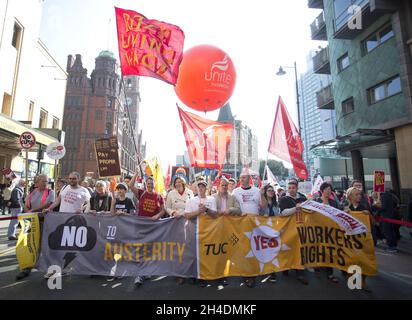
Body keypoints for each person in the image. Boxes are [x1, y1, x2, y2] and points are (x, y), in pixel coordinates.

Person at [232, 168, 267, 288]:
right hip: (241, 225)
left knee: (254, 248)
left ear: (249, 179)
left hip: (255, 225)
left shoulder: (257, 191)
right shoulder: (235, 191)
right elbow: (232, 207)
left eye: (244, 177)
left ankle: (253, 273)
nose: (241, 179)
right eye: (240, 178)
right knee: (244, 249)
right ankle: (246, 274)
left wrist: (262, 195)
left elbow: (263, 206)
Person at [185, 180, 217, 287]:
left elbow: (215, 214)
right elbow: (187, 215)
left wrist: (206, 209)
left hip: (208, 232)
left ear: (206, 188)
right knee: (193, 253)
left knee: (204, 254)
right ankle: (193, 275)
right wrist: (198, 212)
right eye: (199, 187)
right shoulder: (191, 200)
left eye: (203, 187)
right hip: (194, 230)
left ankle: (202, 276)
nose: (201, 189)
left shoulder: (212, 199)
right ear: (196, 188)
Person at [278, 179, 309, 285]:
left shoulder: (303, 198)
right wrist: (295, 208)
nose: (291, 190)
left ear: (297, 188)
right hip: (288, 229)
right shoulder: (284, 199)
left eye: (293, 188)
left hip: (301, 227)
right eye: (289, 188)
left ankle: (299, 271)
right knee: (288, 248)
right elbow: (283, 212)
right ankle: (286, 267)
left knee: (300, 249)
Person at [343, 187, 373, 291]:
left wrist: (368, 215)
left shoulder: (364, 207)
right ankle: (351, 277)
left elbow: (373, 223)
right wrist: (344, 214)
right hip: (351, 239)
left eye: (359, 194)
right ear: (350, 196)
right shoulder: (346, 207)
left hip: (363, 238)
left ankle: (363, 281)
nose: (359, 196)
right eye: (356, 194)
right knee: (352, 259)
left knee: (365, 259)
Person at [313, 182, 339, 283]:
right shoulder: (316, 202)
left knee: (329, 250)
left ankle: (330, 272)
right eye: (326, 190)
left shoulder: (333, 203)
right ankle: (317, 266)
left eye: (330, 190)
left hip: (330, 231)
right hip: (318, 230)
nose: (328, 192)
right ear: (322, 191)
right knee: (319, 249)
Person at [259, 184, 280, 283]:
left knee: (272, 251)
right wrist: (262, 195)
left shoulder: (276, 204)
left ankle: (272, 272)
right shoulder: (262, 201)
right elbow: (263, 207)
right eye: (269, 190)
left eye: (272, 190)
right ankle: (264, 270)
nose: (271, 192)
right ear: (265, 192)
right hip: (263, 230)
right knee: (263, 251)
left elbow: (278, 216)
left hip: (273, 230)